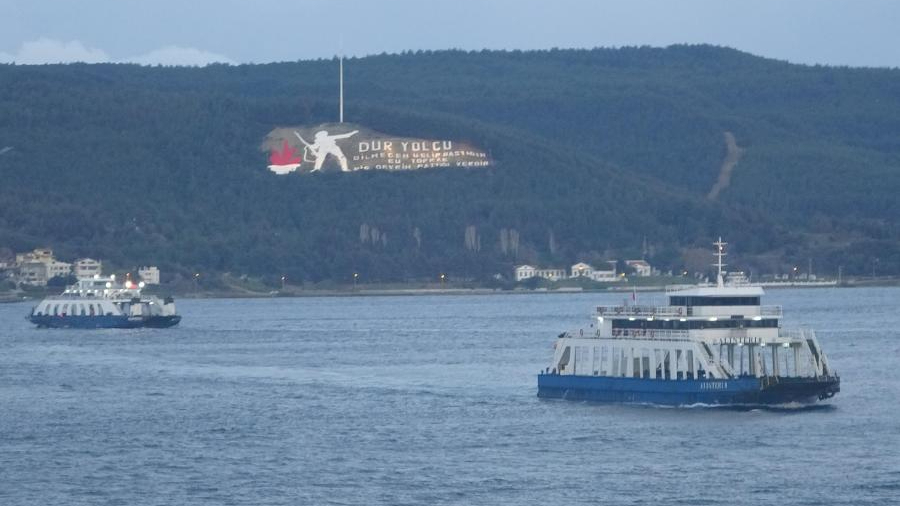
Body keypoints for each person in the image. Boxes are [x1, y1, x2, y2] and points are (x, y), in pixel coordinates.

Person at [294, 129, 359, 172]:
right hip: (323, 149)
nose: (323, 137)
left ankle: (345, 169)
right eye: (321, 136)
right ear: (319, 137)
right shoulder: (318, 141)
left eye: (323, 135)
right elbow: (310, 146)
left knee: (342, 157)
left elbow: (344, 136)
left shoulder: (329, 138)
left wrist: (353, 132)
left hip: (333, 147)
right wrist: (299, 136)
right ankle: (316, 169)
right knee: (319, 159)